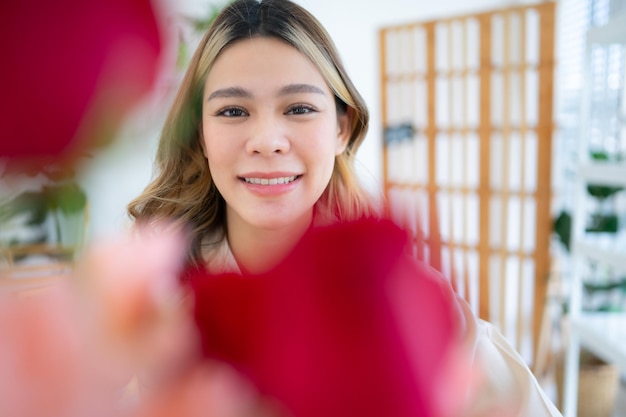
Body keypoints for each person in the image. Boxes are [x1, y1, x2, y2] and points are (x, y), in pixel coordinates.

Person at [128, 1, 563, 416]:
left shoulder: (413, 305)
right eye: (233, 110)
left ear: (342, 127)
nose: (266, 140)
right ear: (200, 134)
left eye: (298, 108)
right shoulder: (148, 306)